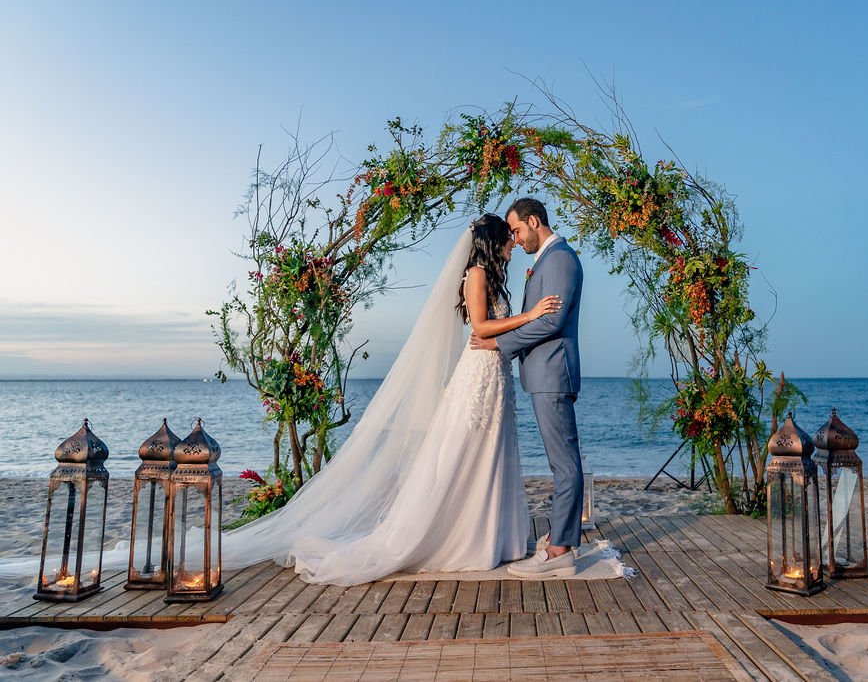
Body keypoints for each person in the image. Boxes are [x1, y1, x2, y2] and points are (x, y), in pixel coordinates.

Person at [0, 215, 562, 586]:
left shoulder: (488, 272)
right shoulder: (475, 276)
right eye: (509, 238)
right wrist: (533, 317)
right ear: (493, 241)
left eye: (517, 236)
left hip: (491, 375)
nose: (514, 244)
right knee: (467, 455)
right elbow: (479, 331)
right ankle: (464, 535)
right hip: (479, 369)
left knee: (488, 455)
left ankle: (495, 532)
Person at [470, 198, 584, 579]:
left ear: (534, 221)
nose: (515, 240)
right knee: (561, 461)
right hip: (544, 374)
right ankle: (562, 536)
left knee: (563, 463)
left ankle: (559, 551)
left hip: (552, 373)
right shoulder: (546, 262)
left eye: (517, 230)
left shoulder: (560, 259)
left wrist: (500, 345)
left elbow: (551, 323)